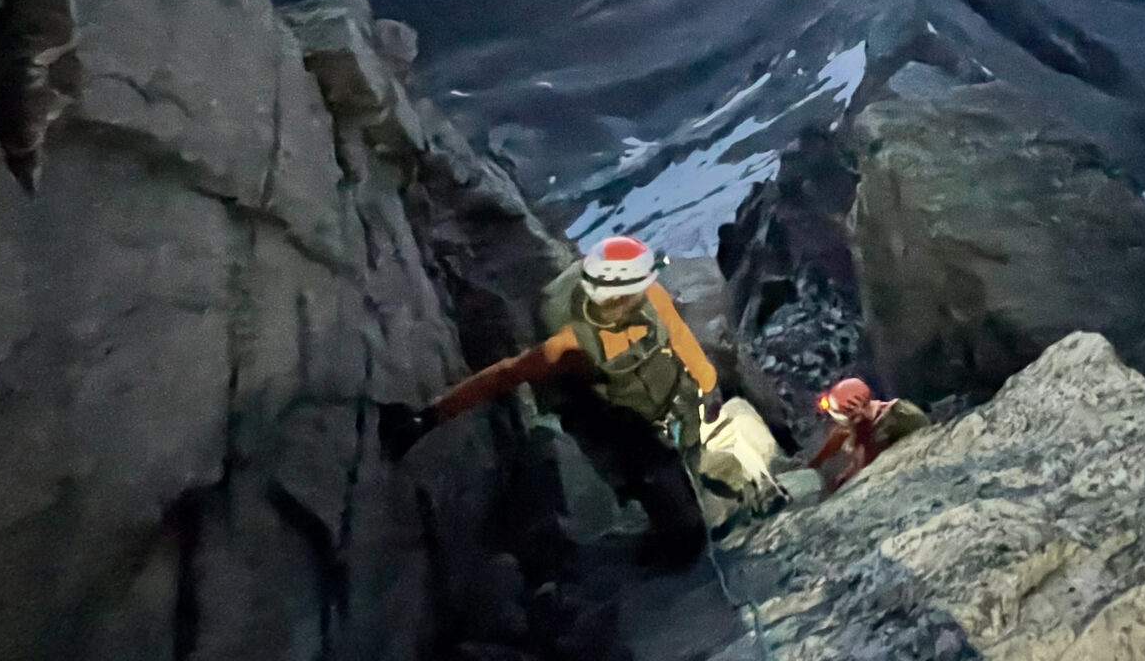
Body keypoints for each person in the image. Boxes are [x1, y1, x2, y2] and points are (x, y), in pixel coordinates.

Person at [381, 235, 722, 565]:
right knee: (676, 524)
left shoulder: (649, 296)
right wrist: (426, 419)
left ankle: (670, 505)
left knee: (680, 476)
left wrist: (708, 386)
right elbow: (505, 375)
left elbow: (679, 337)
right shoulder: (568, 347)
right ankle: (657, 515)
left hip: (640, 390)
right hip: (593, 403)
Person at [806, 377, 928, 495]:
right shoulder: (868, 417)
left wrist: (845, 476)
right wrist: (815, 462)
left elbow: (863, 469)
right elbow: (841, 434)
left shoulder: (896, 422)